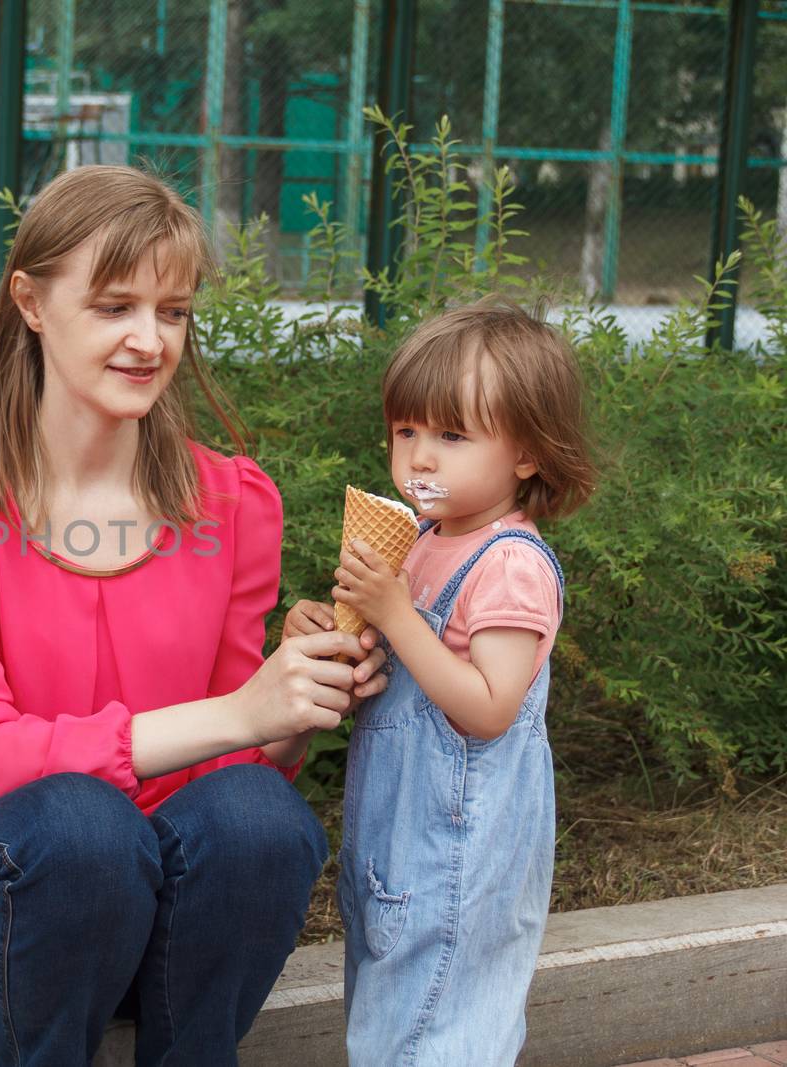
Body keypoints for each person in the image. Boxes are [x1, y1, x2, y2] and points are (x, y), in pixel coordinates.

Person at [0, 164, 388, 1066]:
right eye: (113, 306)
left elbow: (236, 767)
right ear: (30, 299)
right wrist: (238, 711)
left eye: (171, 311)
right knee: (81, 825)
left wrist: (291, 708)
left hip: (161, 917)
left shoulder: (235, 500)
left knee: (258, 813)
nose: (149, 339)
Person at [287, 299, 596, 1065]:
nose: (420, 457)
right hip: (397, 849)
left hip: (459, 860)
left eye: (453, 435)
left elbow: (490, 707)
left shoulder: (511, 564)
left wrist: (397, 617)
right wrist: (341, 637)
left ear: (527, 453)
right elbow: (408, 675)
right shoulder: (426, 541)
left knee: (436, 1036)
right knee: (393, 1028)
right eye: (406, 431)